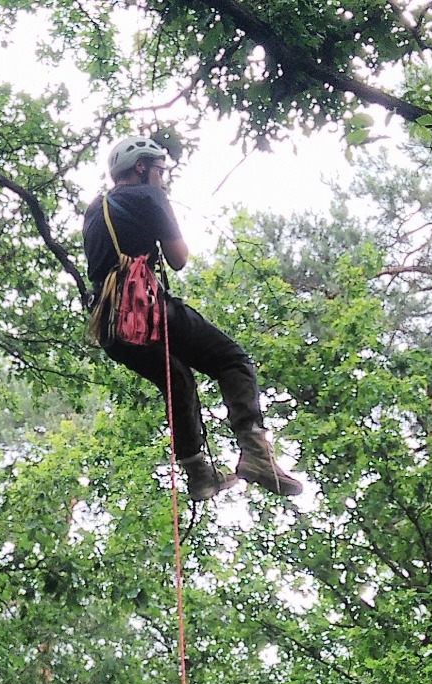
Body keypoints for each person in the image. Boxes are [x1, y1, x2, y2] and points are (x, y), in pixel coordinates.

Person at [84, 135, 301, 503]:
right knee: (231, 359)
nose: (162, 177)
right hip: (144, 310)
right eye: (158, 170)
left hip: (109, 326)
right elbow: (179, 258)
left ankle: (199, 474)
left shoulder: (94, 210)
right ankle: (256, 454)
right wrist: (160, 214)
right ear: (141, 168)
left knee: (178, 381)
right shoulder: (149, 196)